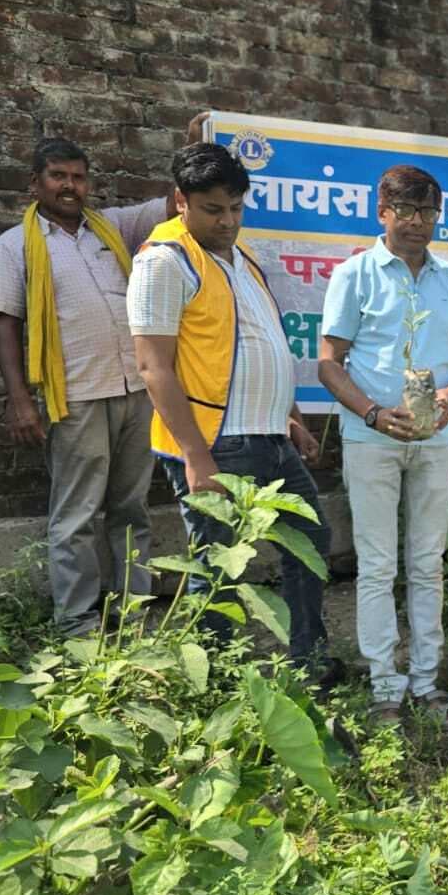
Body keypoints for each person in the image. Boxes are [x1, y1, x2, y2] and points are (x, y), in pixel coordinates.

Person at [128, 143, 336, 681]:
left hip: (269, 437)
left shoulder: (242, 259)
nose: (227, 221)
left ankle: (308, 663)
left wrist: (290, 415)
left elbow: (261, 342)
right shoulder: (163, 261)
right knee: (216, 566)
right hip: (216, 443)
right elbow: (153, 366)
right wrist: (195, 456)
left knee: (310, 542)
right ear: (181, 201)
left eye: (236, 208)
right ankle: (213, 683)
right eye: (213, 210)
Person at [0, 119, 203, 634]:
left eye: (78, 177)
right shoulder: (13, 247)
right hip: (76, 396)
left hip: (136, 389)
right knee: (78, 512)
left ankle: (132, 611)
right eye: (58, 176)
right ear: (35, 184)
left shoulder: (113, 229)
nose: (70, 186)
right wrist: (19, 400)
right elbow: (6, 325)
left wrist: (194, 149)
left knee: (132, 508)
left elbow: (173, 205)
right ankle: (78, 623)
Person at [318, 164, 448, 729]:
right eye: (406, 211)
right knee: (377, 565)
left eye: (428, 212)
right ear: (382, 212)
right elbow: (329, 363)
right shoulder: (355, 274)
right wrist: (371, 412)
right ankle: (385, 687)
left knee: (428, 563)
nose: (417, 222)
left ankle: (428, 682)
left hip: (435, 438)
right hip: (371, 438)